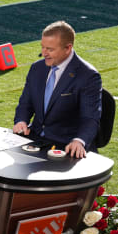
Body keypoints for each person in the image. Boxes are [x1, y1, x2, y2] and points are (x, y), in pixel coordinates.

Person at [13, 21, 101, 159]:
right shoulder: (37, 68)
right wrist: (21, 120)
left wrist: (79, 140)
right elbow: (25, 103)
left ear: (68, 48)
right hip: (35, 140)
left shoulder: (88, 76)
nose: (44, 53)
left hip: (66, 146)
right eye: (42, 47)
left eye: (50, 49)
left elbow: (90, 118)